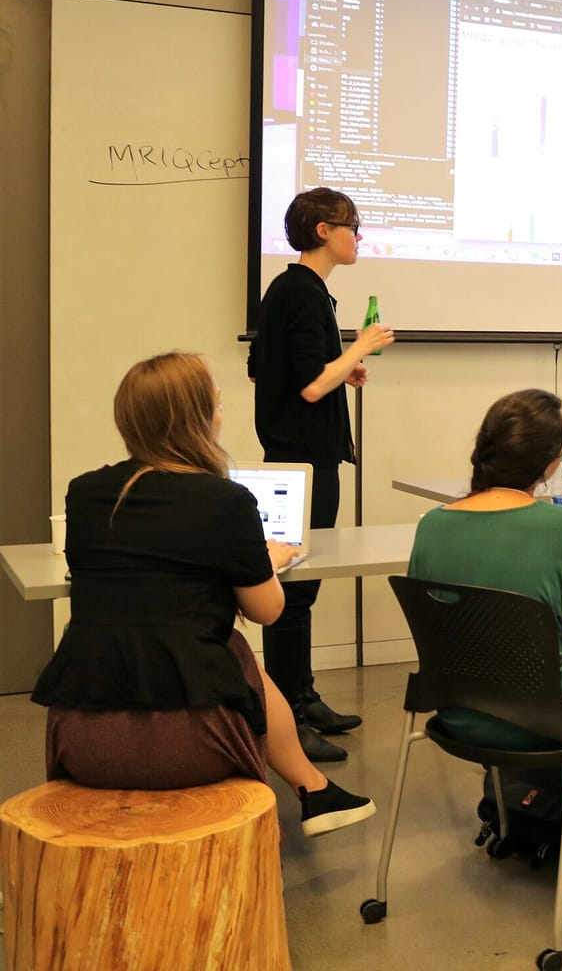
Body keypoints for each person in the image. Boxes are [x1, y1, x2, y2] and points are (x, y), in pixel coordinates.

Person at [30, 353, 374, 836]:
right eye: (216, 405)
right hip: (185, 743)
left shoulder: (84, 493)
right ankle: (313, 790)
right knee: (233, 649)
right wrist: (267, 560)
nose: (220, 414)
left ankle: (315, 789)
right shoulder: (225, 501)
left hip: (79, 737)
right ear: (198, 421)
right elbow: (268, 610)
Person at [407, 389, 562, 886]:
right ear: (548, 464)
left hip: (456, 716)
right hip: (542, 720)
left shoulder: (432, 525)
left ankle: (517, 810)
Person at [248, 186, 395, 763]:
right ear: (322, 231)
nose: (358, 235)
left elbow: (271, 371)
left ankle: (302, 699)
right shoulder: (305, 295)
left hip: (296, 459)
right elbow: (307, 386)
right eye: (351, 226)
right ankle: (287, 717)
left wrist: (344, 369)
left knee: (299, 588)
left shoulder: (292, 290)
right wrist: (359, 347)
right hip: (306, 462)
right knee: (293, 591)